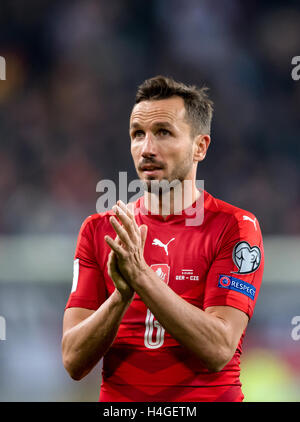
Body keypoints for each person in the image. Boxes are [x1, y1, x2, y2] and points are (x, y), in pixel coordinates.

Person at [62, 75, 264, 402]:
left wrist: (141, 277)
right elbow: (72, 360)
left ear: (200, 146)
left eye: (163, 133)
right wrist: (120, 297)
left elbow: (218, 348)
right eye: (137, 134)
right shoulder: (100, 230)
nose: (147, 148)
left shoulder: (235, 227)